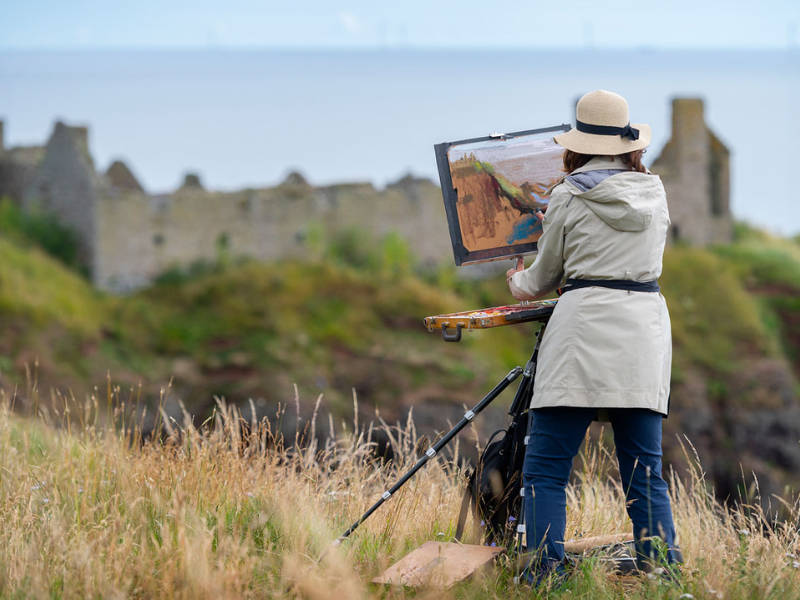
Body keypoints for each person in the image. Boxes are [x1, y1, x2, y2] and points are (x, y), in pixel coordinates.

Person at [505, 90, 681, 584]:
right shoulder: (655, 192)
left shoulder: (567, 194)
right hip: (642, 331)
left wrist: (517, 278)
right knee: (644, 470)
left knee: (546, 468)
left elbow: (541, 279)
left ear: (578, 144)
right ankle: (662, 573)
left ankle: (545, 575)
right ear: (628, 144)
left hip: (581, 332)